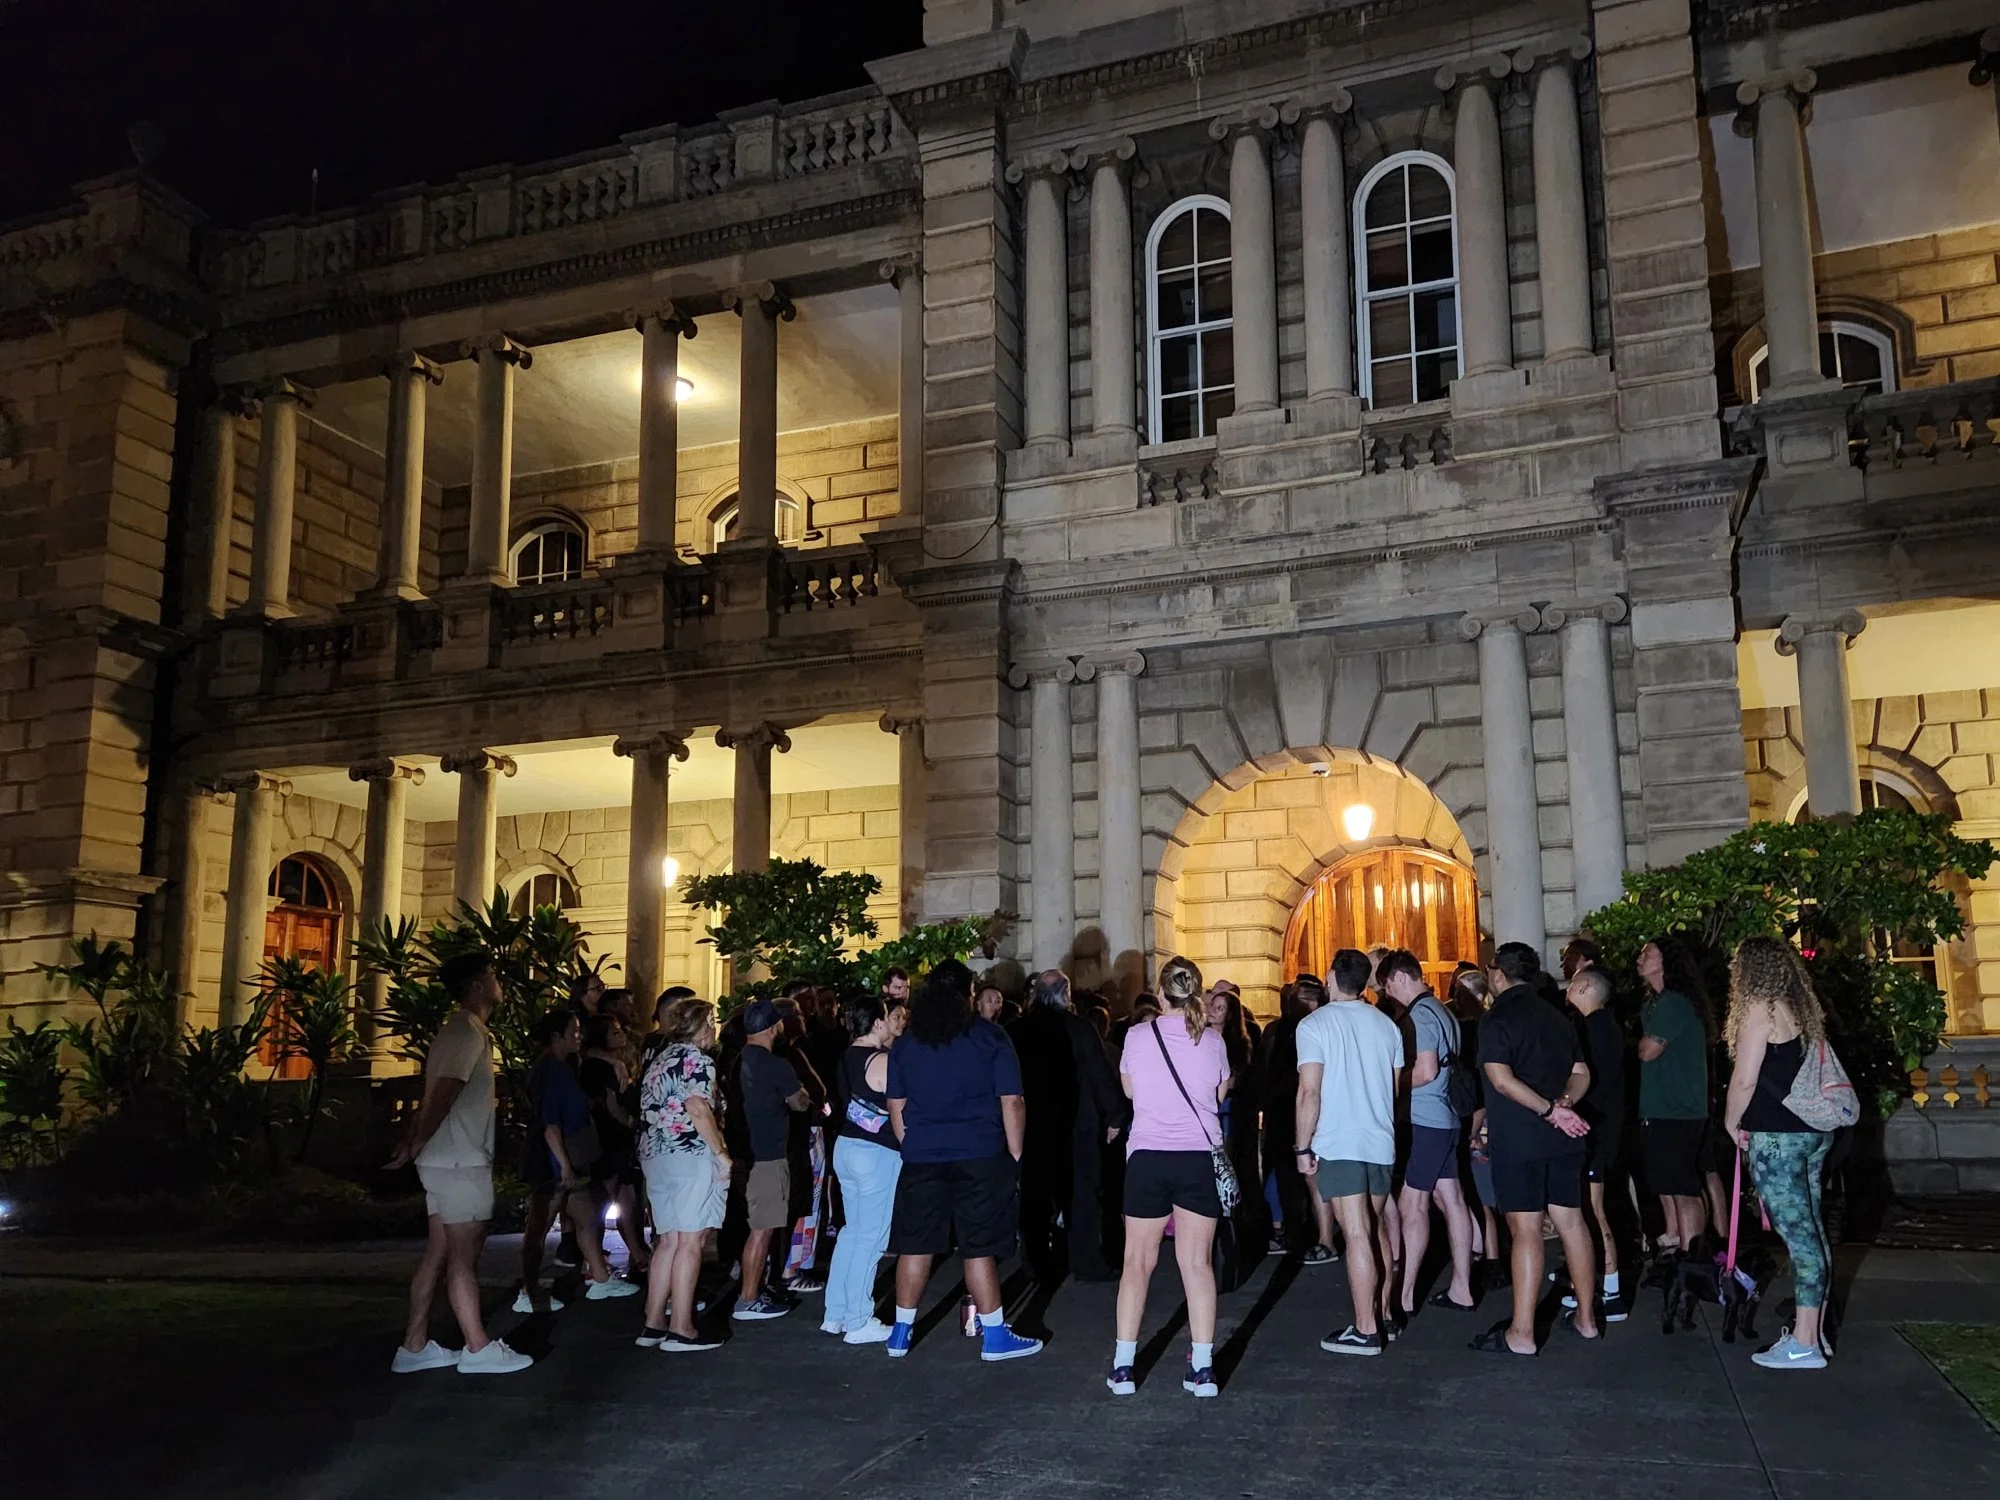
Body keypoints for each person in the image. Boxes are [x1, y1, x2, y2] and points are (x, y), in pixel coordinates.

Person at [883, 959, 1042, 1362]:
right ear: (967, 994)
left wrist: (911, 1143)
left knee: (915, 1245)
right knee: (978, 1246)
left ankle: (901, 1332)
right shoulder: (990, 1037)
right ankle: (993, 1335)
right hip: (979, 1152)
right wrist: (1016, 1151)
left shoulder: (908, 1043)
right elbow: (1013, 1100)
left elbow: (895, 1103)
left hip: (923, 1155)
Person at [386, 953, 531, 1375]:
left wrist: (416, 1141)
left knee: (439, 1254)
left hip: (446, 1159)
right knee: (464, 1258)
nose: (498, 981)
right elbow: (445, 1092)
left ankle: (414, 1347)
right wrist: (415, 1140)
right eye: (491, 976)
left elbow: (436, 1094)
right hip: (458, 1159)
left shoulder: (462, 1029)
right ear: (475, 984)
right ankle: (477, 1347)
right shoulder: (466, 1031)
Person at [1106, 956, 1231, 1398]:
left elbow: (1128, 1090)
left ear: (1161, 994)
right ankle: (1202, 1368)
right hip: (1196, 1157)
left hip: (1148, 1156)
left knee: (1137, 1263)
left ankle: (1123, 1365)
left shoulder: (1138, 1035)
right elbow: (1218, 1093)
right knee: (1196, 1264)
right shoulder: (1213, 1040)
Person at [1471, 942, 1601, 1356]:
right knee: (1573, 1222)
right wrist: (1565, 1104)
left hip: (1520, 1137)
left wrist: (1549, 1110)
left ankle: (1522, 1332)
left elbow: (1500, 1079)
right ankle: (1586, 1319)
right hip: (1564, 1136)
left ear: (1498, 974)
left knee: (1525, 1230)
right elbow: (1582, 1072)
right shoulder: (1558, 1014)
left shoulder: (1496, 1019)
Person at [1722, 937, 1838, 1371]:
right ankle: (1815, 1332)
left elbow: (1745, 1080)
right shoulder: (1799, 1009)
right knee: (1812, 1232)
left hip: (1776, 1138)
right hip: (1811, 1134)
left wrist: (1731, 1124)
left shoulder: (1759, 1010)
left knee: (1800, 1238)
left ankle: (1805, 1343)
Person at [1295, 948, 1405, 1355]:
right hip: (1379, 1138)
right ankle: (1385, 1314)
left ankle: (1364, 1328)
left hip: (1340, 1139)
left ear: (1330, 976)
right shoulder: (1387, 1026)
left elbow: (1309, 1091)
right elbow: (1395, 1089)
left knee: (1356, 1232)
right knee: (1374, 1227)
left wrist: (1302, 1145)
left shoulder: (1314, 1025)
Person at [1010, 969, 1129, 1285]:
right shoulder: (1080, 1029)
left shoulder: (1017, 1030)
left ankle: (1036, 1265)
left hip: (1031, 1126)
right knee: (1081, 1196)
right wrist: (1116, 1116)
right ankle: (1086, 1261)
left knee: (1035, 1198)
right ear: (1066, 994)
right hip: (1077, 1125)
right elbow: (1100, 1073)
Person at [1379, 951, 1475, 1315]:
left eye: (1389, 986)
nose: (1389, 994)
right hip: (1448, 1115)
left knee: (1411, 1204)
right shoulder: (1443, 1010)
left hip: (1426, 1117)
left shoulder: (1419, 1015)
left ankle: (1404, 1296)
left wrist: (1390, 1084)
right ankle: (1462, 1287)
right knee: (1453, 1198)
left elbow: (1426, 1070)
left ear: (1402, 978)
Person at [526, 1009, 640, 1301]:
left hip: (570, 1158)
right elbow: (550, 1121)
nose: (578, 1037)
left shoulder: (561, 1067)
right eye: (573, 1031)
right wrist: (563, 1164)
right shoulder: (552, 1069)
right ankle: (528, 1289)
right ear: (556, 1036)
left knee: (587, 1217)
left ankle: (600, 1278)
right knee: (540, 1224)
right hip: (557, 1161)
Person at [636, 996, 728, 1352]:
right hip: (690, 1155)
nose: (714, 1030)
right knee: (691, 1241)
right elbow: (697, 1106)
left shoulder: (659, 1059)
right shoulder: (698, 1060)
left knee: (668, 1240)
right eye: (711, 1022)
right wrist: (722, 1154)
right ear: (702, 1026)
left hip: (655, 1155)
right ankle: (682, 1327)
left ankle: (654, 1321)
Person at [823, 994, 904, 1343]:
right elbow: (901, 1105)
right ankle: (858, 1319)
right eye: (887, 1017)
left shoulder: (847, 1056)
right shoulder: (881, 1060)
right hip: (877, 1153)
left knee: (852, 1232)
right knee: (871, 1236)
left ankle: (836, 1312)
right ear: (876, 1023)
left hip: (847, 1147)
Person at [733, 997, 811, 1322]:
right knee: (763, 1230)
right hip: (769, 1154)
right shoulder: (776, 1064)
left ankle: (754, 1288)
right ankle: (748, 1299)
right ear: (772, 1027)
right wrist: (801, 1093)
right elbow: (800, 1102)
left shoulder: (738, 1060)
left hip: (743, 1151)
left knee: (755, 1226)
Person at [1638, 936, 1713, 1258]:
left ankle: (1692, 1253)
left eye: (1648, 953)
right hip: (1662, 1107)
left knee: (1683, 1188)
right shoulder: (1656, 1003)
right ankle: (1676, 1242)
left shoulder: (1673, 1004)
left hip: (1678, 1110)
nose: (1640, 958)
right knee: (1668, 1183)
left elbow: (1648, 1051)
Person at [1565, 965, 1629, 1321]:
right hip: (1602, 1127)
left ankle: (1610, 1290)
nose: (1568, 987)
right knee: (1589, 1209)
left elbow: (1590, 1081)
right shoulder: (1604, 1027)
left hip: (1596, 1130)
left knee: (1593, 1210)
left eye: (1573, 982)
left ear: (1586, 986)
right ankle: (1594, 1285)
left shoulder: (1595, 1028)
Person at [580, 1009, 649, 1279]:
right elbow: (609, 1105)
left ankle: (638, 1254)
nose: (621, 1034)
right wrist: (630, 1122)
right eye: (614, 1031)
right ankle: (594, 1262)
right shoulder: (598, 1068)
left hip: (619, 1139)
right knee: (604, 1198)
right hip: (609, 1139)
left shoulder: (612, 1063)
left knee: (627, 1196)